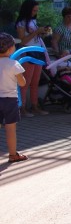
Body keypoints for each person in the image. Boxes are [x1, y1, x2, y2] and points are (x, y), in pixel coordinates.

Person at [15, 0, 49, 117]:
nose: (35, 12)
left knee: (35, 81)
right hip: (27, 52)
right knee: (25, 81)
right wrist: (36, 32)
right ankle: (22, 107)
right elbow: (23, 41)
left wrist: (41, 33)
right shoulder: (21, 23)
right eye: (34, 10)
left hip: (37, 51)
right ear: (28, 10)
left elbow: (33, 37)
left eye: (36, 10)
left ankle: (34, 106)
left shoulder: (33, 22)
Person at [0, 33, 28, 163]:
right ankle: (13, 154)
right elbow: (22, 83)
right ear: (11, 49)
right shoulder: (14, 64)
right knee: (10, 129)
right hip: (10, 100)